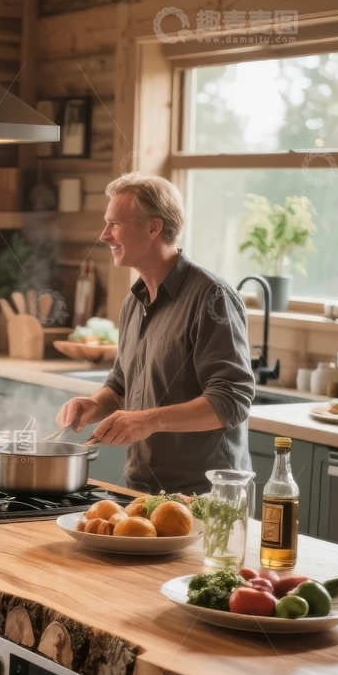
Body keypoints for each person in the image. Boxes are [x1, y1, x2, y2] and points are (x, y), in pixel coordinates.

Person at [56, 173, 255, 495]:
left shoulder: (212, 297)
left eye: (115, 224)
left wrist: (148, 420)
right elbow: (122, 384)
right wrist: (94, 404)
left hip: (206, 495)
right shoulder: (134, 301)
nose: (104, 235)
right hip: (143, 488)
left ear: (154, 227)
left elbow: (231, 400)